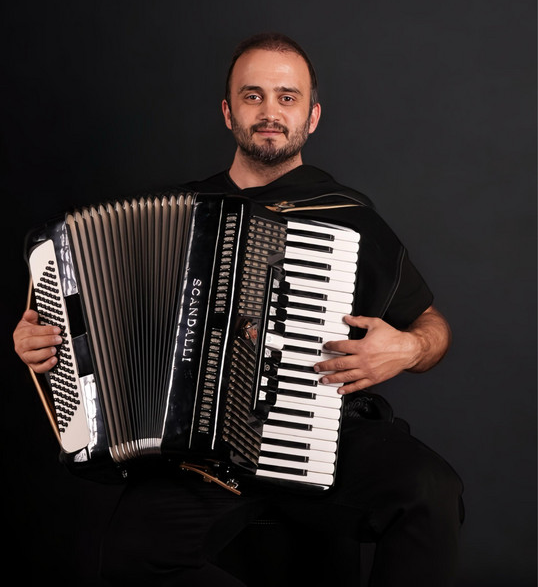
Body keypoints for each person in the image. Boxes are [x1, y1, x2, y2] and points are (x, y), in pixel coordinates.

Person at [13, 32, 464, 586]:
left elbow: (431, 323)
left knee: (431, 491)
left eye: (287, 97)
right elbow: (87, 328)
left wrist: (410, 347)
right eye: (253, 96)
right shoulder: (179, 214)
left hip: (318, 432)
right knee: (129, 553)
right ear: (228, 112)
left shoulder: (349, 218)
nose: (270, 112)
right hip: (196, 457)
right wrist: (42, 342)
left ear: (312, 116)